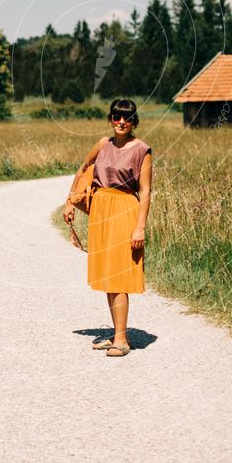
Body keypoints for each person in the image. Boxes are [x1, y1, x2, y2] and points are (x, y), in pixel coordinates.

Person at [63, 98, 152, 357]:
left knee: (120, 275)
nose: (121, 122)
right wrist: (70, 199)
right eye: (116, 117)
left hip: (125, 209)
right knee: (107, 276)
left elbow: (145, 191)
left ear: (134, 121)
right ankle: (117, 334)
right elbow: (83, 168)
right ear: (110, 119)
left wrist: (140, 228)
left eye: (127, 117)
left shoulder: (142, 150)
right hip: (101, 209)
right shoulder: (103, 144)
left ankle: (122, 341)